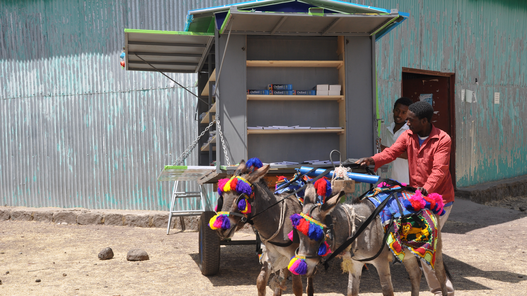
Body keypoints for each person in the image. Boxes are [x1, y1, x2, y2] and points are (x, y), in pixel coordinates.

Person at [356, 100, 455, 295]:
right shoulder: (409, 135)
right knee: (420, 245)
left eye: (411, 120)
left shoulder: (443, 139)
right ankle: (442, 288)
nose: (407, 124)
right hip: (415, 198)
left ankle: (442, 290)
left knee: (424, 244)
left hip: (439, 201)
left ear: (424, 121)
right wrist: (372, 159)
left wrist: (424, 191)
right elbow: (391, 152)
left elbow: (439, 171)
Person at [379, 97, 413, 184]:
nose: (399, 115)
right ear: (393, 110)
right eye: (397, 110)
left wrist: (385, 149)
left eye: (404, 112)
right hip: (392, 178)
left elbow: (410, 154)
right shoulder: (389, 129)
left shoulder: (411, 131)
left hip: (407, 180)